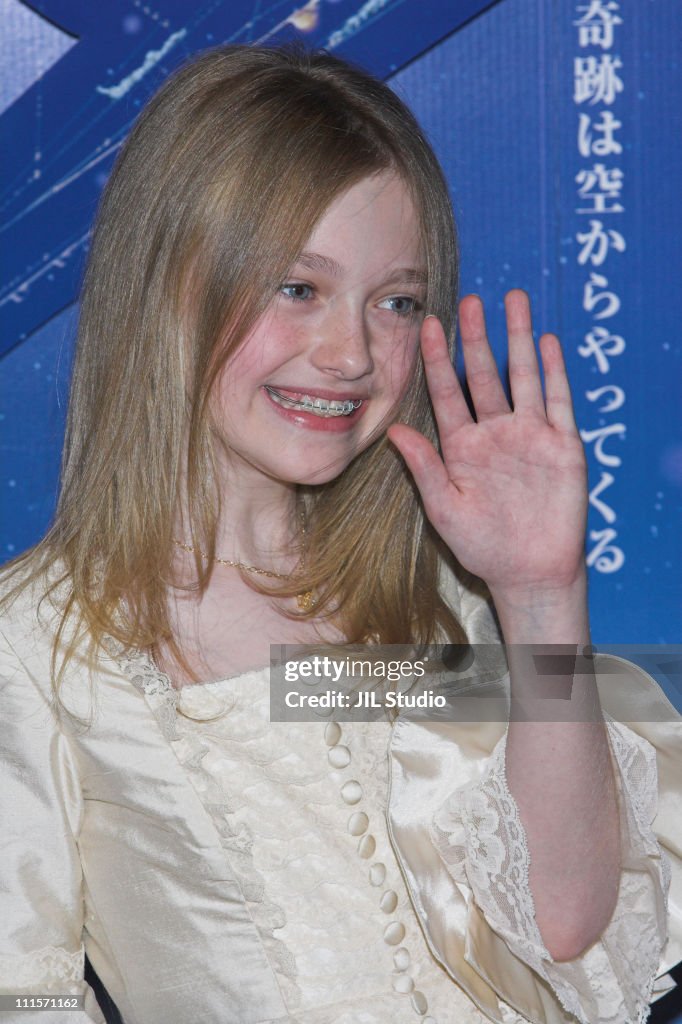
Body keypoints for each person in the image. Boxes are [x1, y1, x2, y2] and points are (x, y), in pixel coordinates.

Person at [0, 44, 680, 1024]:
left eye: (396, 301)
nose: (351, 352)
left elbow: (563, 923)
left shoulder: (432, 595)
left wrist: (539, 595)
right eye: (296, 288)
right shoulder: (38, 646)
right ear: (166, 284)